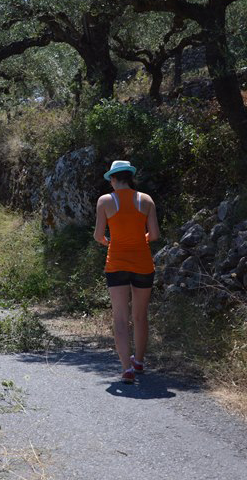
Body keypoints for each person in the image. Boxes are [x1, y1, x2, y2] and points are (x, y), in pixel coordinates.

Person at [94, 160, 160, 384]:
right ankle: (139, 362)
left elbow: (98, 236)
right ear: (129, 178)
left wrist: (108, 242)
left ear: (113, 179)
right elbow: (154, 235)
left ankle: (126, 369)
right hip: (142, 263)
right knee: (140, 316)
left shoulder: (105, 201)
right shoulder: (146, 200)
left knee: (120, 318)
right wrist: (140, 239)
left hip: (117, 264)